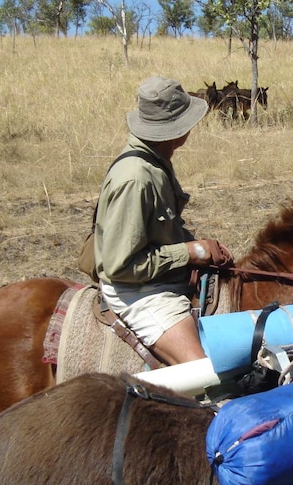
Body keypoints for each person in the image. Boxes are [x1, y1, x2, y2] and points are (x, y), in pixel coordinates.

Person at [94, 76, 233, 367]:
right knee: (201, 372)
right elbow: (121, 266)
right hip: (138, 291)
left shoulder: (156, 159)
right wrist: (192, 251)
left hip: (157, 278)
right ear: (175, 129)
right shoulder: (136, 178)